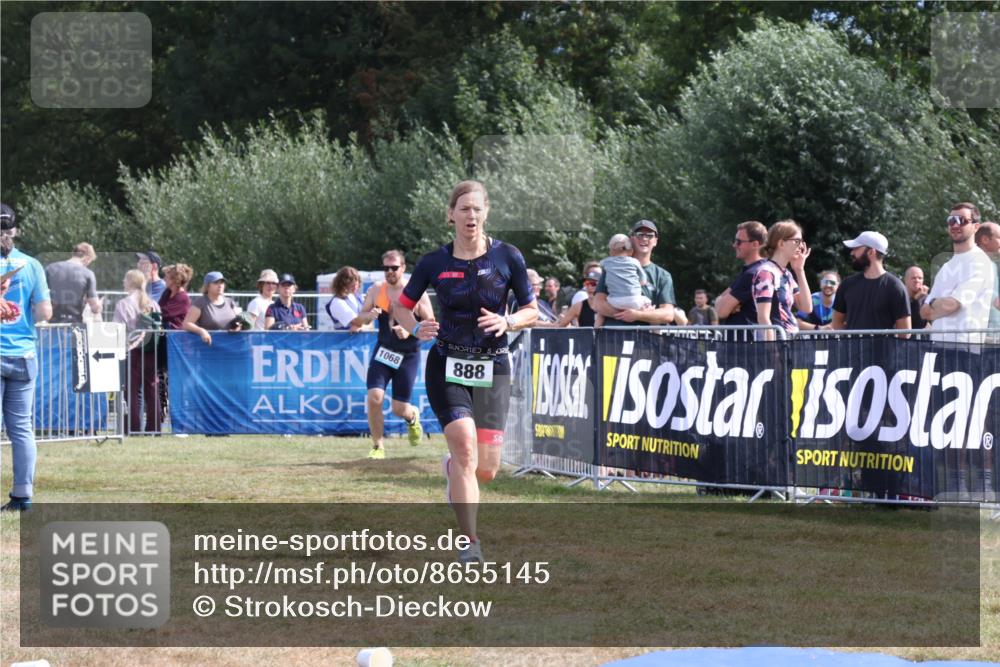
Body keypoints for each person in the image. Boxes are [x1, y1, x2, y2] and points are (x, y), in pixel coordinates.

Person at [393, 180, 538, 563]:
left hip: (494, 365)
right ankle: (470, 542)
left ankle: (451, 468)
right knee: (465, 449)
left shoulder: (508, 257)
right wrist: (413, 327)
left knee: (486, 470)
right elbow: (402, 307)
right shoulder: (433, 262)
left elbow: (532, 310)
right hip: (447, 364)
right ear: (451, 215)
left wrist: (508, 322)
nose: (471, 216)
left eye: (477, 209)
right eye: (463, 209)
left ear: (485, 213)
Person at [355, 250, 434, 459]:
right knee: (374, 397)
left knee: (399, 408)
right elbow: (360, 317)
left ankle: (412, 417)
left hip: (408, 355)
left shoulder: (415, 291)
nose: (390, 272)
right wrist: (368, 316)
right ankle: (378, 446)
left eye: (394, 268)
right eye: (386, 268)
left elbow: (431, 323)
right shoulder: (376, 290)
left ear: (403, 268)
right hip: (384, 351)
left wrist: (410, 329)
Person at [0, 203, 52, 511]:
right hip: (24, 354)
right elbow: (45, 312)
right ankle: (22, 495)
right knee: (21, 428)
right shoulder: (32, 265)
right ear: (15, 231)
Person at [921, 203, 994, 343]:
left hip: (964, 348)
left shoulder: (979, 261)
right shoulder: (946, 267)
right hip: (938, 346)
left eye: (962, 220)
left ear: (976, 227)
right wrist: (941, 305)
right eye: (951, 220)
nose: (955, 225)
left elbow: (951, 304)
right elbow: (924, 312)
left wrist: (934, 302)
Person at [592, 220, 676, 326]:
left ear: (655, 241)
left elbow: (668, 314)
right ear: (631, 239)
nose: (644, 238)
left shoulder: (663, 275)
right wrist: (625, 315)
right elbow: (598, 304)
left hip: (646, 340)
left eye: (649, 235)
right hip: (613, 338)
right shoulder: (613, 266)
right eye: (640, 235)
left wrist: (637, 315)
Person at [832, 231, 911, 336]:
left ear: (871, 252)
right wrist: (852, 343)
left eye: (857, 248)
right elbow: (836, 323)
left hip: (883, 352)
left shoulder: (895, 287)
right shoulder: (847, 285)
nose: (852, 253)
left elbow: (905, 333)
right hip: (851, 351)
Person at [114, 269, 162, 434]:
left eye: (125, 280)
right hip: (150, 350)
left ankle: (132, 427)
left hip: (131, 350)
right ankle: (154, 428)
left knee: (131, 391)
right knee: (152, 390)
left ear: (130, 282)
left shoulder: (123, 304)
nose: (123, 282)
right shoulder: (152, 303)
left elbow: (118, 329)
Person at [753, 220, 813, 339]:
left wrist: (799, 270)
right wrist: (771, 349)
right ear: (781, 243)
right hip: (777, 341)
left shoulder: (786, 274)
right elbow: (763, 317)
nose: (801, 246)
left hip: (790, 340)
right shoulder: (766, 273)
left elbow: (807, 307)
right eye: (797, 241)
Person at [157, 263, 193, 424]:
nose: (164, 279)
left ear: (175, 279)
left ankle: (180, 419)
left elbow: (164, 313)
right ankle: (162, 415)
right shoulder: (166, 293)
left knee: (177, 382)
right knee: (162, 379)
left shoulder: (183, 298)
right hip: (164, 342)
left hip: (178, 345)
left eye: (167, 276)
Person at [715, 221, 768, 327]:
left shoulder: (753, 273)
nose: (734, 245)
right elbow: (719, 306)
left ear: (755, 244)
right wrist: (724, 303)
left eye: (739, 242)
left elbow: (721, 312)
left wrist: (724, 303)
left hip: (746, 341)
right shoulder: (756, 270)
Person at [45, 242, 100, 324]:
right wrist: (99, 306)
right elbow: (94, 307)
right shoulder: (88, 274)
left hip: (51, 323)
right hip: (74, 324)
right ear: (87, 258)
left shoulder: (50, 268)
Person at [182, 271, 241, 345]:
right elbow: (186, 324)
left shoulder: (230, 301)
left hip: (231, 347)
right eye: (216, 283)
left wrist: (238, 326)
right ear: (207, 286)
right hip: (209, 349)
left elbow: (239, 321)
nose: (220, 285)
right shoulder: (200, 302)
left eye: (222, 282)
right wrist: (202, 331)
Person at [600, 233, 651, 311]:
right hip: (634, 300)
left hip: (614, 301)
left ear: (611, 251)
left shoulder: (606, 262)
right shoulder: (634, 262)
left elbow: (600, 264)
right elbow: (643, 280)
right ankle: (644, 313)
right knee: (648, 302)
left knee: (600, 311)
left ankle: (597, 322)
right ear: (631, 251)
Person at [974, 221, 1000, 339]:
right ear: (985, 239)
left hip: (994, 336)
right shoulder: (973, 264)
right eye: (999, 237)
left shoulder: (992, 266)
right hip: (978, 338)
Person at [325, 266, 364, 331]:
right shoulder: (337, 302)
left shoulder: (359, 298)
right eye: (351, 284)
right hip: (344, 340)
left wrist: (363, 327)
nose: (355, 286)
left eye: (356, 281)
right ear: (341, 284)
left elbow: (370, 324)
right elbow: (358, 322)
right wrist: (370, 316)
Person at [904, 266, 930, 330]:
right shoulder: (899, 297)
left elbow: (920, 324)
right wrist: (915, 300)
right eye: (913, 278)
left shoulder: (927, 299)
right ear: (906, 280)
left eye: (920, 278)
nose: (917, 281)